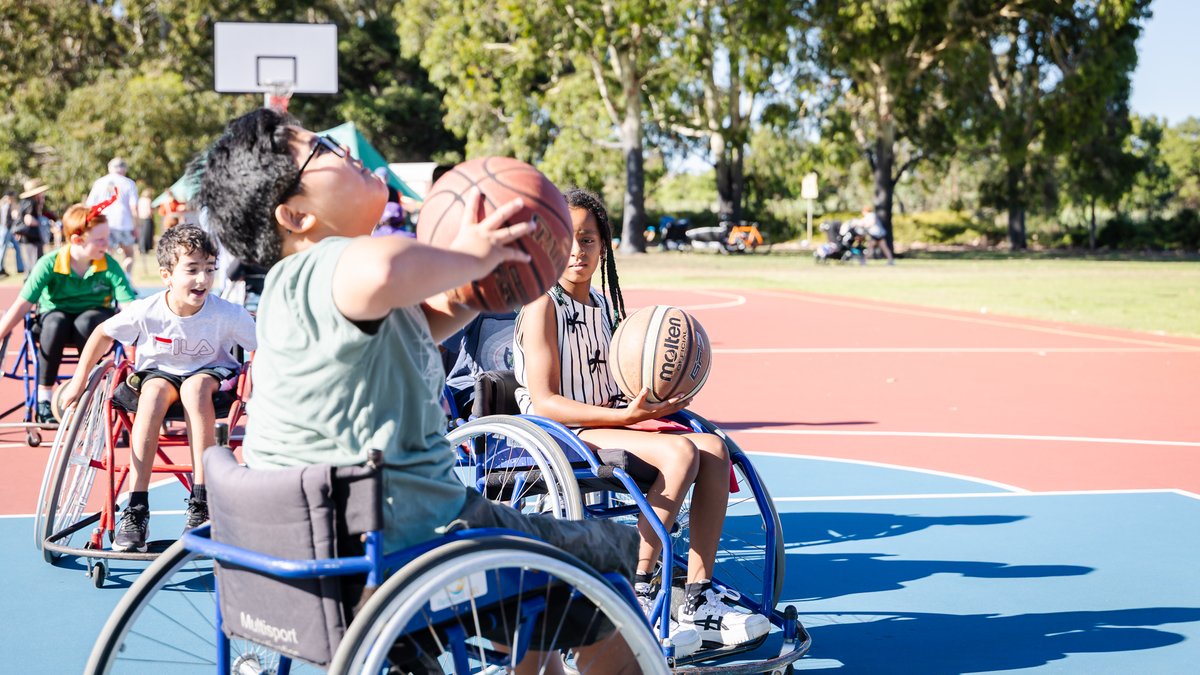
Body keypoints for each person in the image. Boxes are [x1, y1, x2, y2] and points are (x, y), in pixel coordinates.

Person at [195, 108, 641, 673]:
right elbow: (384, 267)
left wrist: (469, 292)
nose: (347, 149)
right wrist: (472, 253)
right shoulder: (337, 263)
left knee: (532, 589)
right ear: (295, 214)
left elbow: (419, 321)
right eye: (325, 149)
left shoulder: (292, 290)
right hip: (414, 536)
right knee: (607, 567)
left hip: (308, 543)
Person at [513, 188, 771, 652]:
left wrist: (657, 398)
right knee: (680, 452)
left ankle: (697, 594)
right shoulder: (542, 305)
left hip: (608, 421)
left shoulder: (609, 311)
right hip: (558, 432)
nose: (578, 250)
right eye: (568, 239)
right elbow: (547, 400)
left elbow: (623, 381)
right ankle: (640, 584)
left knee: (713, 449)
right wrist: (625, 414)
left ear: (604, 246)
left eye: (589, 240)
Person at [59, 225, 257, 552]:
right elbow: (101, 334)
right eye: (192, 269)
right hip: (159, 374)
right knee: (151, 394)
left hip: (211, 376)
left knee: (195, 389)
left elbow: (261, 345)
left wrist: (258, 387)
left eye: (210, 269)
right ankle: (136, 509)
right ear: (166, 275)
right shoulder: (147, 309)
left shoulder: (227, 313)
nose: (202, 279)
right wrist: (78, 383)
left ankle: (201, 502)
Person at [0, 198, 138, 423]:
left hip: (92, 319)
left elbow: (128, 305)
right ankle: (44, 399)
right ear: (77, 239)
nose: (107, 244)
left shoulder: (108, 264)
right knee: (56, 322)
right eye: (100, 240)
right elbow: (22, 304)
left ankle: (91, 392)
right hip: (55, 319)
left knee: (90, 322)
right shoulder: (49, 263)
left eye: (107, 237)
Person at [86, 157, 139, 275]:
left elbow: (90, 205)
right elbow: (134, 207)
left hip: (105, 224)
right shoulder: (129, 183)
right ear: (124, 169)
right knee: (129, 254)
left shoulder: (100, 182)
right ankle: (127, 278)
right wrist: (137, 226)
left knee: (107, 253)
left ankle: (108, 278)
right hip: (125, 223)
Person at [16, 179, 49, 275]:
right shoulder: (30, 203)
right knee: (34, 267)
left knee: (33, 266)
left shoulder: (27, 202)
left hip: (30, 239)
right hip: (32, 239)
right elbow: (28, 220)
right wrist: (42, 222)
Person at [0, 191, 19, 277]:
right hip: (6, 230)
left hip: (8, 230)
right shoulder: (6, 206)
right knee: (3, 249)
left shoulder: (9, 206)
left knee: (17, 248)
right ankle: (1, 269)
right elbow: (6, 221)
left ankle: (20, 268)